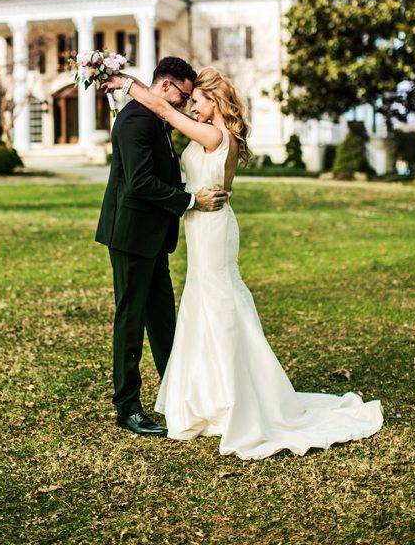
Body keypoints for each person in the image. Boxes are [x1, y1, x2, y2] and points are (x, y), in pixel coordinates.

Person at [101, 65, 384, 459]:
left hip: (212, 228)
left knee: (217, 305)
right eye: (187, 98)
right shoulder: (208, 132)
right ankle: (201, 393)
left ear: (214, 101)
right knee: (201, 307)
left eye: (196, 100)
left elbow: (166, 113)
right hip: (197, 224)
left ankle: (232, 396)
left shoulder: (216, 135)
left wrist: (126, 82)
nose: (190, 106)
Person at [95, 56, 229, 436]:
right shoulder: (136, 120)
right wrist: (189, 200)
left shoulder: (152, 116)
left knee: (162, 320)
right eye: (184, 96)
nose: (186, 105)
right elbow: (139, 183)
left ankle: (180, 394)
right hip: (131, 234)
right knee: (131, 319)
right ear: (166, 86)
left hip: (153, 235)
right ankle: (128, 406)